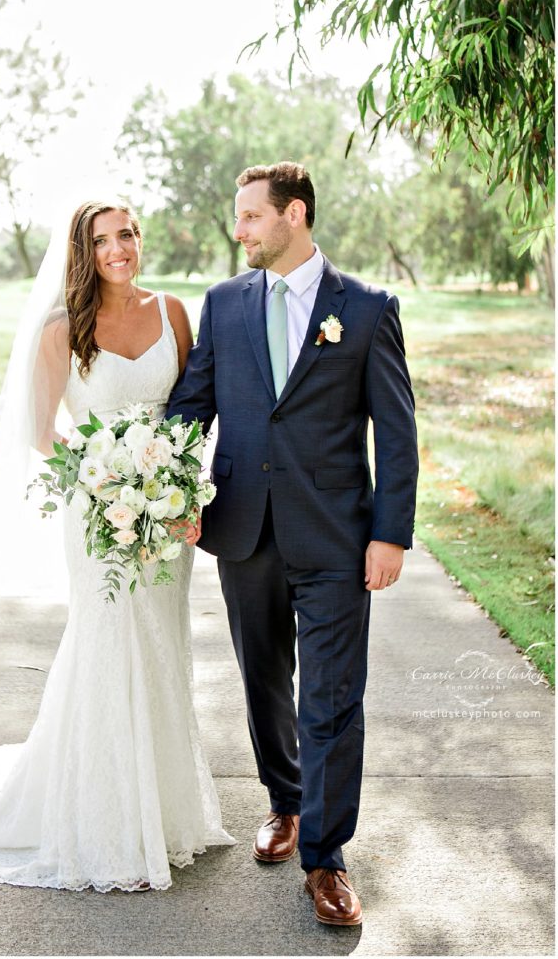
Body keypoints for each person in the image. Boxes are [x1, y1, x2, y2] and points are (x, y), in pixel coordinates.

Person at [0, 199, 234, 892]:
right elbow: (43, 433)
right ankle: (106, 823)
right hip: (100, 508)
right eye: (101, 240)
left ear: (140, 238)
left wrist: (178, 491)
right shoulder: (60, 328)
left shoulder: (172, 313)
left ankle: (164, 813)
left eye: (125, 234)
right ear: (84, 250)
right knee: (110, 644)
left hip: (162, 512)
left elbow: (192, 412)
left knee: (161, 648)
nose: (116, 249)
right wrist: (112, 481)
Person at [167, 161, 418, 926]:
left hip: (338, 537)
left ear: (293, 215)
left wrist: (390, 536)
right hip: (242, 528)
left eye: (248, 217)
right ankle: (285, 802)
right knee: (264, 683)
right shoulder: (224, 302)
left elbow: (397, 434)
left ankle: (326, 858)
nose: (237, 231)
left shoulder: (367, 309)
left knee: (333, 699)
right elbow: (192, 405)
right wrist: (167, 486)